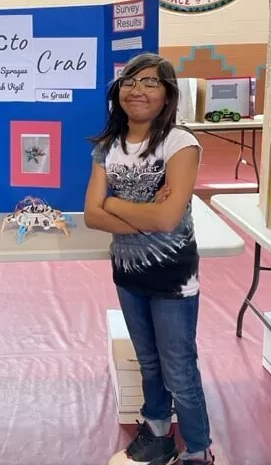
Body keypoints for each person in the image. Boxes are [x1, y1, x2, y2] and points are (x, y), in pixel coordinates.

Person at [84, 53, 214, 465]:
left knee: (179, 369)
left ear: (168, 94)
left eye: (150, 82)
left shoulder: (180, 142)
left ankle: (197, 449)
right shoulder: (108, 147)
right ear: (117, 91)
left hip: (173, 280)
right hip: (128, 274)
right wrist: (144, 214)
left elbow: (168, 216)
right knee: (148, 361)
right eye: (129, 81)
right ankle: (157, 431)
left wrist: (116, 204)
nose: (137, 90)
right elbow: (91, 214)